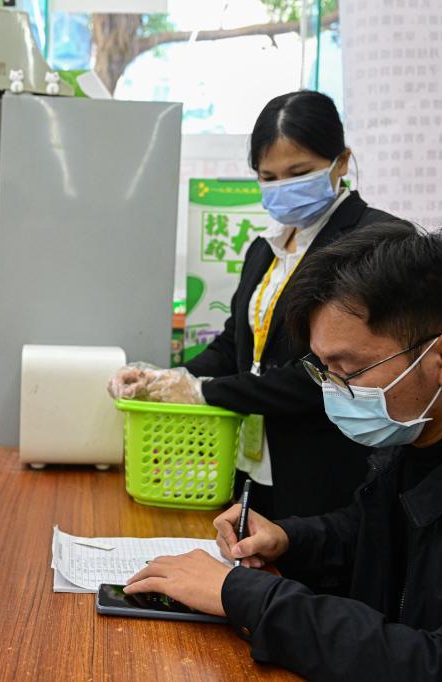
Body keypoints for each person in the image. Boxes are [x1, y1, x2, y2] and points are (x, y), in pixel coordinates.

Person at [125, 224, 442, 680]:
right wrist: (290, 539)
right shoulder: (419, 429)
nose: (333, 391)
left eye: (348, 369)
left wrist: (248, 596)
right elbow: (374, 532)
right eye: (323, 369)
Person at [109, 91, 399, 525]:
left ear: (341, 163)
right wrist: (169, 377)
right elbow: (234, 348)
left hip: (329, 471)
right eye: (269, 177)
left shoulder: (375, 241)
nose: (283, 188)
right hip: (253, 465)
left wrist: (204, 393)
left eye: (298, 173)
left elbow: (326, 373)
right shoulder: (266, 250)